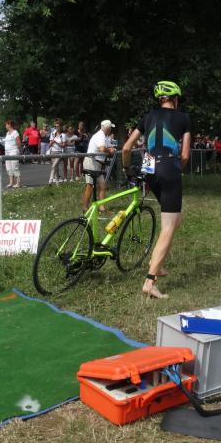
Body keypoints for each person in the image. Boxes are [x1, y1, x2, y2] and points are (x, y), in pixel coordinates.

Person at [122, 81, 191, 299]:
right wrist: (178, 170)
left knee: (176, 218)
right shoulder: (184, 118)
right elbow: (185, 155)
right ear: (175, 99)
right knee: (169, 226)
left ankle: (157, 264)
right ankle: (150, 281)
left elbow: (126, 147)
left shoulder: (148, 117)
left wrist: (126, 169)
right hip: (169, 167)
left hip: (149, 167)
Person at [82, 120, 116, 211]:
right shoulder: (100, 135)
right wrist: (110, 151)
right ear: (107, 129)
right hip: (91, 162)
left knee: (102, 186)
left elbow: (109, 147)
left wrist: (111, 149)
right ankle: (85, 208)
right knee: (90, 185)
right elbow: (102, 148)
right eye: (110, 128)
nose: (111, 130)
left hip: (97, 164)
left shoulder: (105, 136)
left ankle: (102, 207)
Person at [4, 119, 22, 188]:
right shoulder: (7, 133)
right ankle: (11, 182)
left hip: (14, 151)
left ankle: (18, 183)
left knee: (15, 167)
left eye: (6, 124)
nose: (5, 126)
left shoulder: (15, 132)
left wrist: (19, 151)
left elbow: (18, 142)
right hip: (7, 152)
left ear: (9, 125)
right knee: (8, 168)